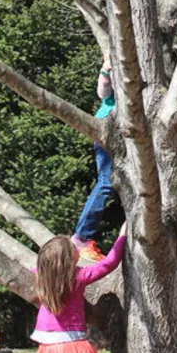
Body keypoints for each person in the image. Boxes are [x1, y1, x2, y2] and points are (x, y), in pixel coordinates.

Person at [28, 225, 128, 353]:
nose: (77, 247)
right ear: (68, 261)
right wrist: (122, 236)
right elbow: (109, 264)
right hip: (74, 347)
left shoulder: (42, 277)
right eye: (73, 247)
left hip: (48, 352)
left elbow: (39, 266)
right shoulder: (78, 277)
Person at [72, 53, 116, 261]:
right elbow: (103, 92)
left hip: (124, 137)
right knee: (106, 183)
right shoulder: (113, 70)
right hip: (107, 131)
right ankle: (82, 237)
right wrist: (106, 69)